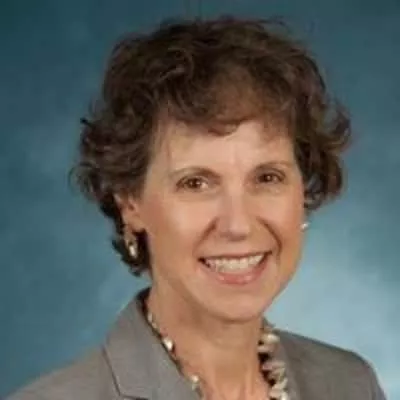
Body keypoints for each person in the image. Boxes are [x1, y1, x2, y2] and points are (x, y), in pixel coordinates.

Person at [9, 16, 386, 400]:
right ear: (130, 203)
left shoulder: (349, 384)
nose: (238, 224)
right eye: (196, 183)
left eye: (267, 177)